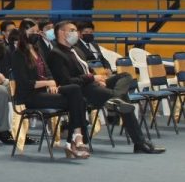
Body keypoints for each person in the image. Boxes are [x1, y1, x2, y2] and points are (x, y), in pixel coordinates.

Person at [46, 20, 163, 154]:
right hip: (82, 90)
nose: (76, 33)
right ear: (61, 32)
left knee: (125, 76)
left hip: (93, 84)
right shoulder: (55, 54)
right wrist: (92, 78)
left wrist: (99, 79)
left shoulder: (77, 49)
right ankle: (139, 142)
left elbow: (87, 69)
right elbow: (66, 81)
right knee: (124, 100)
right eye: (72, 30)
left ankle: (115, 99)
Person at [11, 31, 90, 159]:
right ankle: (74, 141)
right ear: (25, 32)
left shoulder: (37, 50)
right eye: (33, 30)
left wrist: (52, 83)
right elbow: (25, 83)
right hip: (30, 96)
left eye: (38, 31)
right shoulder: (18, 55)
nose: (37, 33)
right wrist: (47, 82)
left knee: (75, 91)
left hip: (45, 92)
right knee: (79, 101)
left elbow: (48, 72)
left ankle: (74, 139)